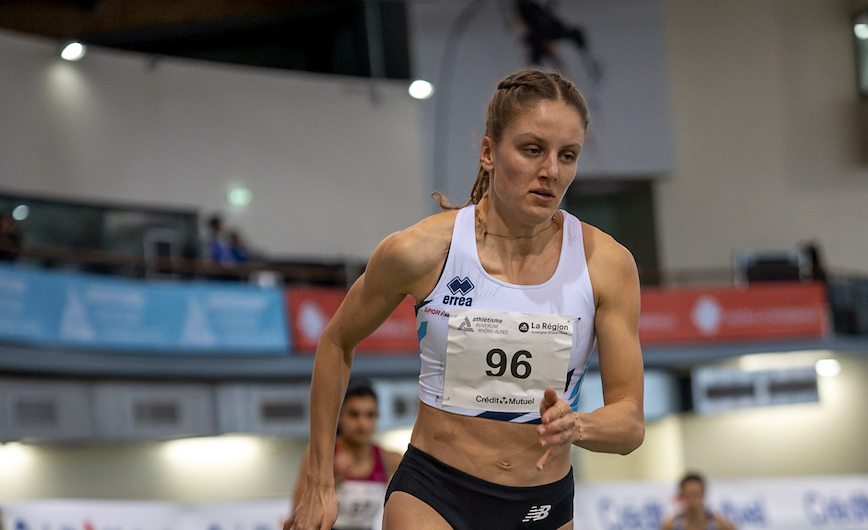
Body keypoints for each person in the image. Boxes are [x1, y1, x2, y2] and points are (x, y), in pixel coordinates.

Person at [284, 67, 644, 530]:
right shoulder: (420, 251)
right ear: (489, 152)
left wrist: (577, 427)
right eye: (532, 149)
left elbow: (630, 423)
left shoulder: (606, 264)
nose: (551, 171)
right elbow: (335, 342)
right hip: (435, 494)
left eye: (567, 155)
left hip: (542, 508)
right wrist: (319, 480)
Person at [292, 381, 403, 530]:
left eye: (370, 415)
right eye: (354, 414)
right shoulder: (322, 456)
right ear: (340, 416)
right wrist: (334, 479)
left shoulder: (390, 459)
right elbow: (299, 513)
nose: (362, 423)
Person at [660, 473, 737, 530]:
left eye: (696, 494)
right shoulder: (671, 525)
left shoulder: (721, 524)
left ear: (703, 493)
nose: (693, 499)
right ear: (682, 496)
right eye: (689, 495)